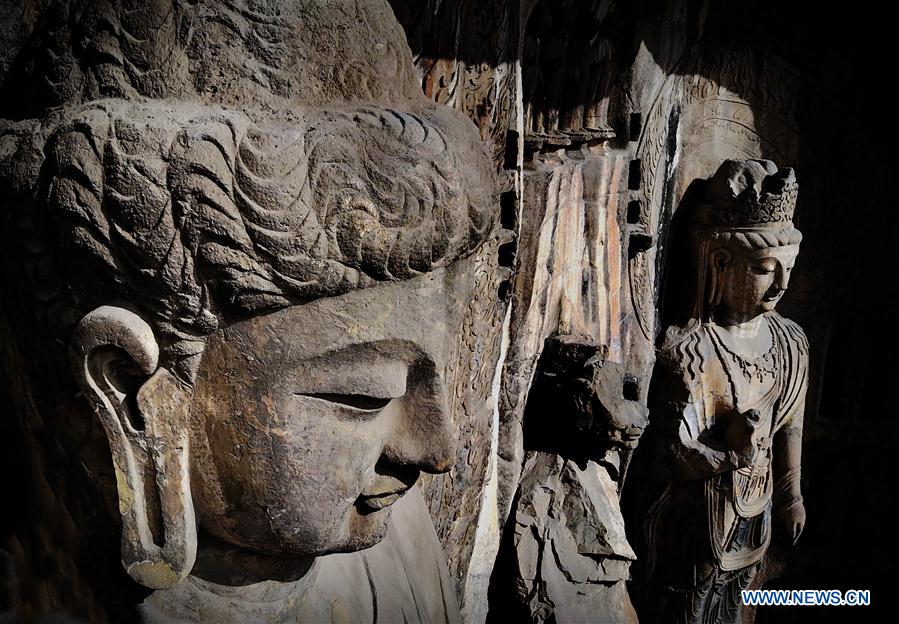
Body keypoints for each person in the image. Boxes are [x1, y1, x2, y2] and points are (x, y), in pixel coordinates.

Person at [0, 2, 496, 621]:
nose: (436, 450)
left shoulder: (399, 555)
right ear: (131, 389)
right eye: (367, 399)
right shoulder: (34, 583)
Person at [636, 159, 808, 624]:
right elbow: (670, 452)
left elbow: (790, 425)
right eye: (765, 270)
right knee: (691, 607)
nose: (781, 285)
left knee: (744, 608)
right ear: (720, 262)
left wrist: (791, 494)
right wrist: (730, 452)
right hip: (700, 516)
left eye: (788, 269)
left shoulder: (791, 344)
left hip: (759, 513)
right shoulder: (691, 350)